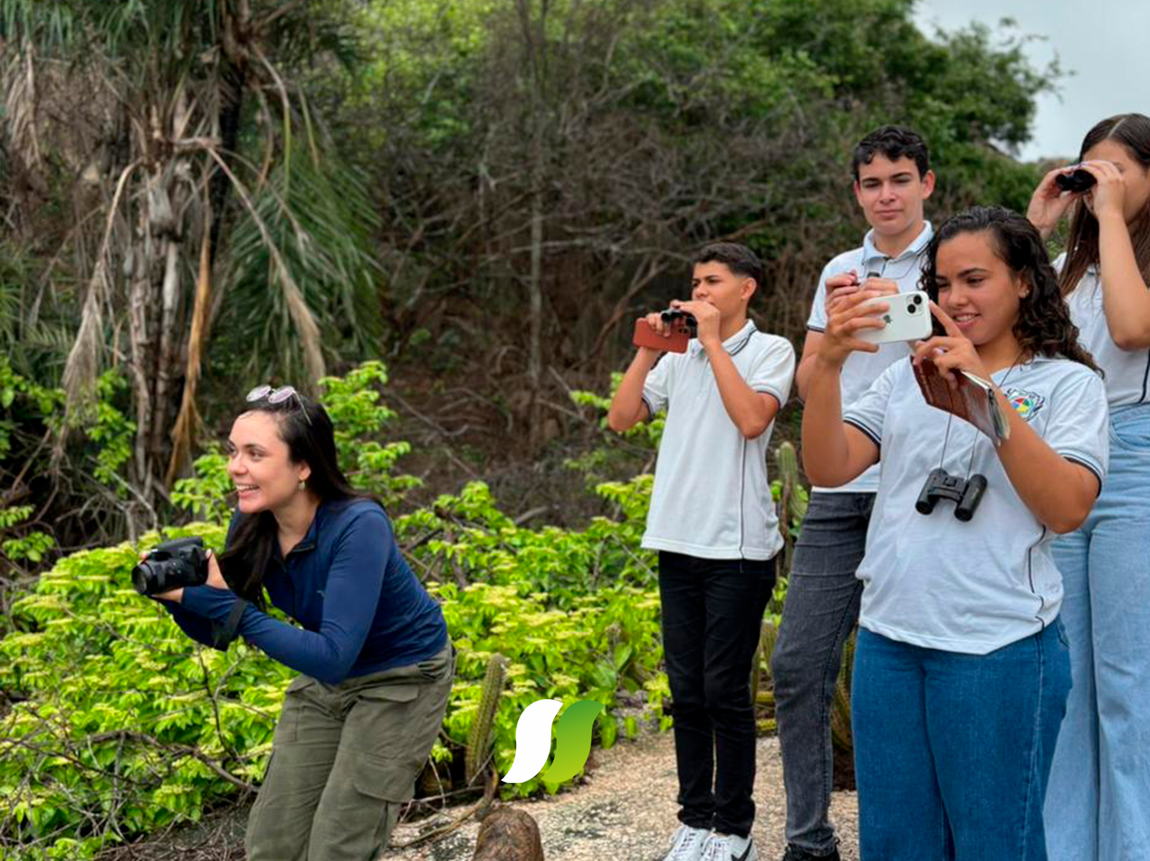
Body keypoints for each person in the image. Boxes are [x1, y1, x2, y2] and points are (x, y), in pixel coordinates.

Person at [803, 206, 1108, 860]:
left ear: (1025, 280)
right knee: (894, 845)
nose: (954, 299)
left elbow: (1067, 506)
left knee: (996, 844)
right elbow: (827, 465)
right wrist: (825, 368)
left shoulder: (1068, 385)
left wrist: (982, 397)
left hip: (997, 649)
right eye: (941, 284)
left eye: (975, 279)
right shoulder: (902, 378)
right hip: (889, 642)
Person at [147, 386, 452, 861]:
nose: (236, 467)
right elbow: (221, 630)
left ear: (303, 466)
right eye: (233, 451)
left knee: (338, 845)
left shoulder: (359, 526)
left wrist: (231, 609)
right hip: (330, 678)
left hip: (403, 678)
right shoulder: (253, 519)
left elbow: (330, 656)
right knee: (273, 843)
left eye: (255, 454)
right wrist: (180, 598)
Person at [771, 125, 935, 861]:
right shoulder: (841, 267)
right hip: (842, 485)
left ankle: (911, 838)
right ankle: (809, 840)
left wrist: (908, 306)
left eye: (900, 178)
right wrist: (838, 333)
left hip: (924, 487)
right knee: (800, 663)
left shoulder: (953, 257)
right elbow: (810, 382)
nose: (887, 194)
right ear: (857, 191)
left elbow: (980, 342)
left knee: (903, 668)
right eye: (872, 183)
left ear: (927, 183)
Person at [607, 243, 796, 861]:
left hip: (737, 550)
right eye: (694, 281)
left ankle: (733, 827)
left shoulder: (772, 350)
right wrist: (648, 348)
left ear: (747, 289)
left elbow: (750, 421)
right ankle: (694, 819)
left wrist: (711, 342)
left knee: (723, 690)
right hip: (675, 540)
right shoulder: (679, 356)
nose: (700, 291)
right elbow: (621, 418)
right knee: (686, 690)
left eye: (713, 281)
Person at [1026, 112, 1150, 861]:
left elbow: (1132, 330)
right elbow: (1002, 324)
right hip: (1067, 454)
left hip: (1137, 454)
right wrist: (1037, 227)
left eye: (1120, 171)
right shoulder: (1069, 269)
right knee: (1066, 681)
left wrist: (1106, 215)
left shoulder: (1132, 260)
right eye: (1089, 170)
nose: (1101, 184)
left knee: (1127, 680)